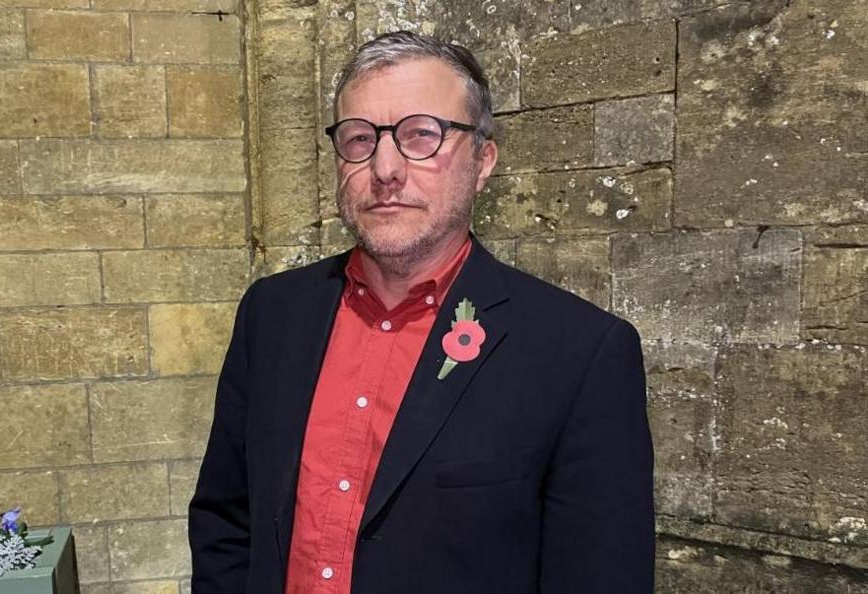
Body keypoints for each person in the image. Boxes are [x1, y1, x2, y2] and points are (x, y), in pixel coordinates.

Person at [189, 30, 655, 594]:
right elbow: (226, 520)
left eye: (421, 136)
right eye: (359, 139)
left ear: (482, 160)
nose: (385, 167)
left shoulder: (580, 353)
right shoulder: (272, 315)